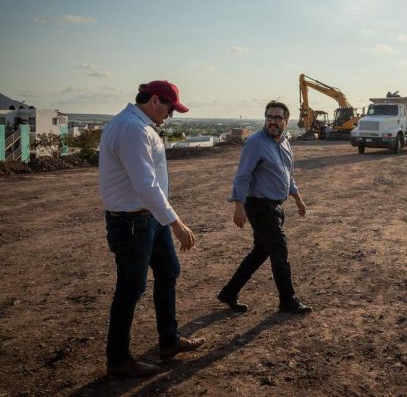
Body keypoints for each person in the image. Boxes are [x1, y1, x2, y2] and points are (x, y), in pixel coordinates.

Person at [99, 81, 205, 378]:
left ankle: (169, 341)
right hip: (133, 222)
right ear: (155, 101)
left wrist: (163, 219)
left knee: (168, 271)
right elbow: (145, 185)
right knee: (130, 289)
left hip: (148, 219)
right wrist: (176, 222)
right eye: (170, 108)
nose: (170, 115)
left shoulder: (137, 124)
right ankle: (118, 360)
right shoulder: (133, 129)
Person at [218, 100, 312, 314]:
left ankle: (229, 292)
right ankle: (288, 300)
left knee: (260, 252)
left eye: (277, 118)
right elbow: (242, 176)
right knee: (280, 252)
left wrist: (297, 198)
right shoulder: (255, 142)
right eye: (269, 117)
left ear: (286, 121)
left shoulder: (285, 144)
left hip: (276, 207)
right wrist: (238, 207)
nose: (272, 121)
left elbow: (288, 175)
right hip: (259, 206)